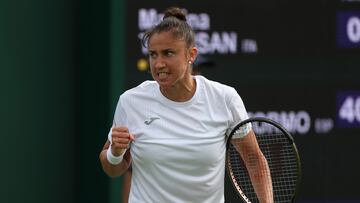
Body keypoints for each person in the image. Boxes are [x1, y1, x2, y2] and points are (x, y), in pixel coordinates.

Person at [99, 7, 273, 203]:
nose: (158, 64)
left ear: (191, 54)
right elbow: (112, 168)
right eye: (153, 55)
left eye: (168, 53)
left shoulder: (225, 98)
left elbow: (254, 160)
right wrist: (115, 154)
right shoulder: (131, 101)